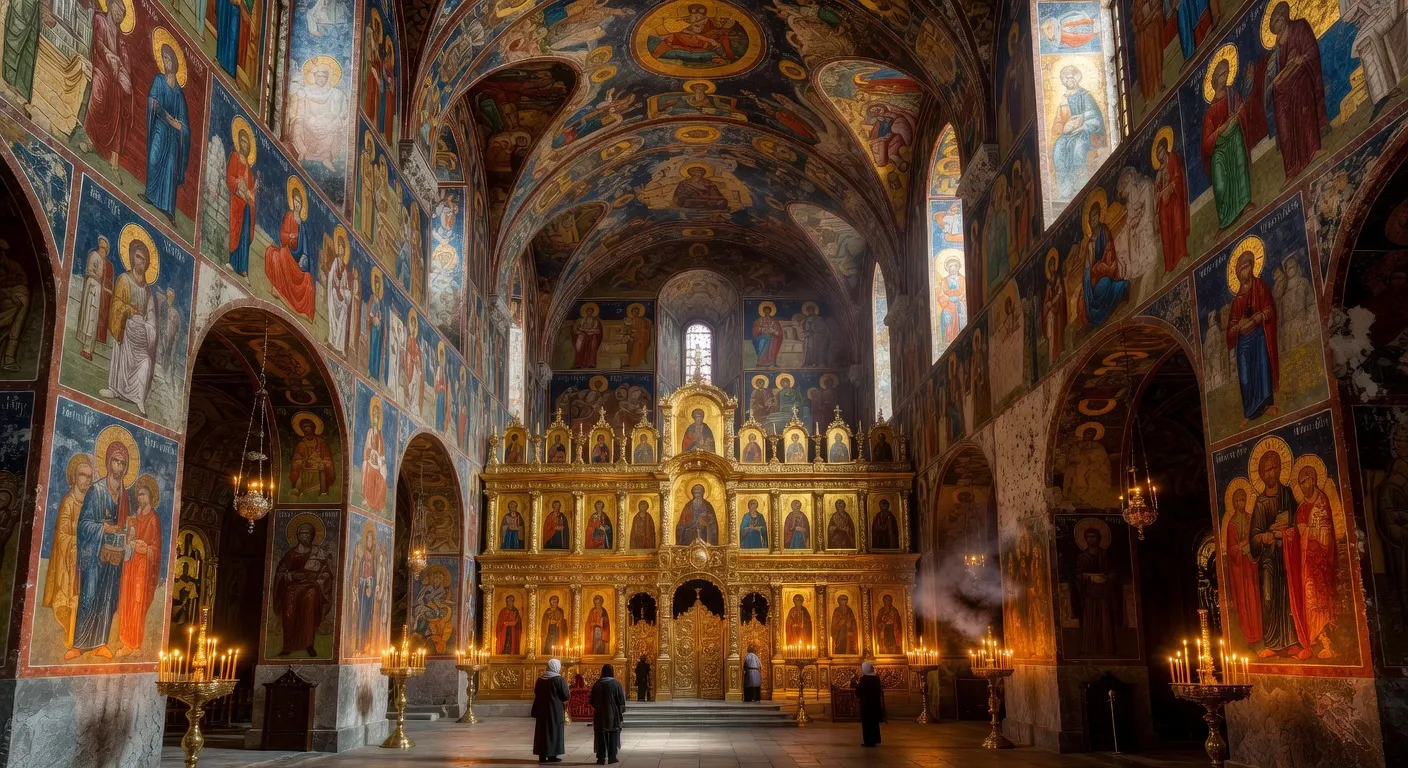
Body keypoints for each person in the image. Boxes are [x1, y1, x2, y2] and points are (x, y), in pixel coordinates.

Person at [532, 659, 570, 763]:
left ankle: (542, 755)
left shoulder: (540, 679)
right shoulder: (558, 679)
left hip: (541, 710)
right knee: (554, 731)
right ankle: (552, 755)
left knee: (542, 731)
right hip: (554, 710)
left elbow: (536, 692)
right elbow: (566, 695)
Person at [590, 664, 626, 764]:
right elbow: (621, 701)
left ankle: (601, 757)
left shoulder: (597, 683)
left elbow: (591, 700)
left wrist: (598, 707)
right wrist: (620, 712)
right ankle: (612, 757)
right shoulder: (616, 684)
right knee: (613, 734)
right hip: (613, 713)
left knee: (600, 734)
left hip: (600, 714)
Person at [854, 662, 886, 747]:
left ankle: (869, 742)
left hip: (867, 704)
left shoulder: (865, 679)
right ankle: (875, 739)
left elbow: (859, 691)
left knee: (867, 723)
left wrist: (857, 687)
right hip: (875, 703)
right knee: (874, 723)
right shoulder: (876, 678)